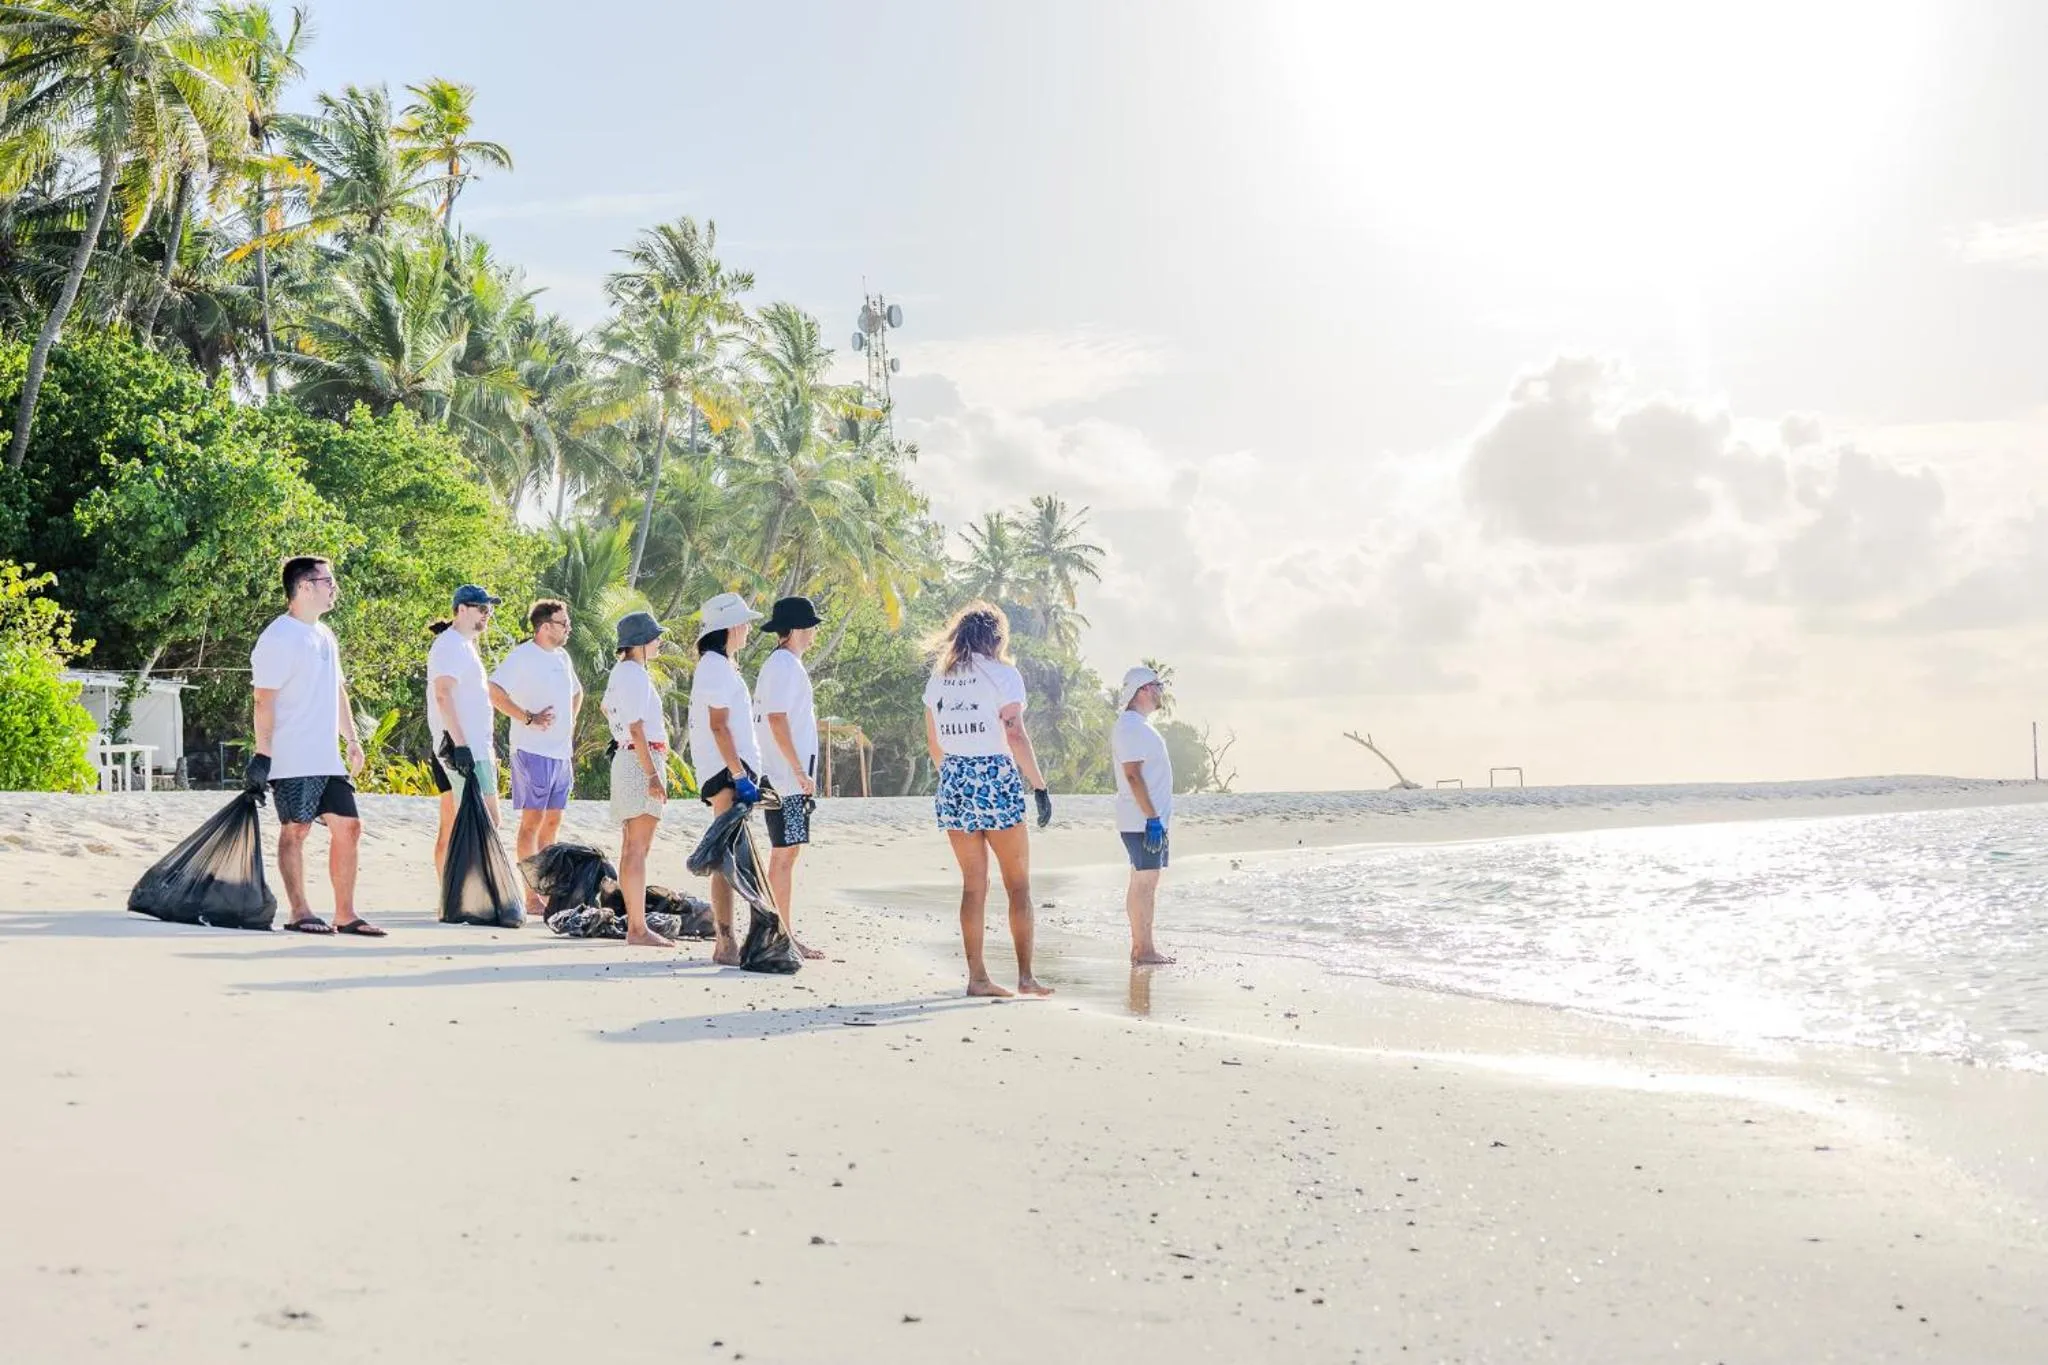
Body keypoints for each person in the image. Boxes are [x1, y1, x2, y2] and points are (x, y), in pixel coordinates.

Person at [246, 555, 383, 936]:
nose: (334, 587)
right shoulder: (278, 637)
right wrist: (263, 755)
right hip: (292, 756)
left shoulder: (325, 634)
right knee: (297, 830)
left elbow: (337, 690)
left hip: (327, 756)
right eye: (328, 581)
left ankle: (345, 913)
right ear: (304, 587)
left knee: (350, 827)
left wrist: (352, 739)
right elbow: (263, 699)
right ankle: (299, 911)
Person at [922, 601, 1053, 998]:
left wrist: (957, 776)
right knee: (1018, 886)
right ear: (997, 637)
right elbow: (1015, 734)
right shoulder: (1004, 675)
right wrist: (1040, 786)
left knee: (973, 886)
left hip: (954, 777)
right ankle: (1025, 977)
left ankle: (978, 977)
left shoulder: (940, 678)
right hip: (995, 775)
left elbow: (933, 741)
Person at [489, 598, 582, 916]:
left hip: (561, 753)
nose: (568, 627)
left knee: (553, 821)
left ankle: (547, 888)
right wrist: (527, 717)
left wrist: (567, 726)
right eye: (562, 622)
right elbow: (495, 691)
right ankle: (530, 895)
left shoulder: (563, 657)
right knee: (532, 821)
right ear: (544, 627)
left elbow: (577, 693)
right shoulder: (523, 656)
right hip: (532, 751)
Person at [689, 591, 767, 968]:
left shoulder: (721, 665)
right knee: (725, 856)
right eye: (745, 623)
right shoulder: (715, 667)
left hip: (729, 768)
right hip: (725, 771)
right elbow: (718, 726)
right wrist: (739, 774)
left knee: (731, 854)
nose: (749, 629)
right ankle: (725, 941)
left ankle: (730, 939)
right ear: (731, 627)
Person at [753, 595, 825, 960]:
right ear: (797, 629)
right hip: (784, 779)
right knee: (784, 854)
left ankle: (781, 931)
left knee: (788, 852)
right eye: (811, 626)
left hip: (786, 777)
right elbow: (777, 720)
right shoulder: (784, 666)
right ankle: (781, 934)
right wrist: (798, 771)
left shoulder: (783, 665)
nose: (814, 633)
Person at [600, 611, 677, 948]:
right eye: (654, 638)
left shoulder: (622, 673)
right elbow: (637, 726)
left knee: (632, 844)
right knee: (638, 847)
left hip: (628, 755)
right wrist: (653, 774)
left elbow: (607, 709)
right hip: (638, 758)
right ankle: (637, 928)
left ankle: (635, 923)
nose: (659, 642)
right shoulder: (635, 675)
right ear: (641, 643)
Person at [427, 584, 503, 878]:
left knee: (456, 823)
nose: (487, 615)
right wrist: (460, 746)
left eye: (489, 609)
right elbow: (443, 694)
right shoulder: (451, 645)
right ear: (461, 609)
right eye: (481, 608)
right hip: (463, 748)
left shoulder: (462, 645)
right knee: (484, 822)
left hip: (469, 746)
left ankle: (452, 893)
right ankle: (466, 892)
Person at [1111, 665, 1175, 965]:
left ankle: (1140, 947)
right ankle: (1145, 950)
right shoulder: (1131, 727)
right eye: (1157, 685)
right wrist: (1152, 819)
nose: (1161, 691)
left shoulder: (1138, 726)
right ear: (1144, 690)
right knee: (1145, 884)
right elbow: (1133, 776)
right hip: (1143, 821)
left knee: (1141, 882)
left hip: (1146, 820)